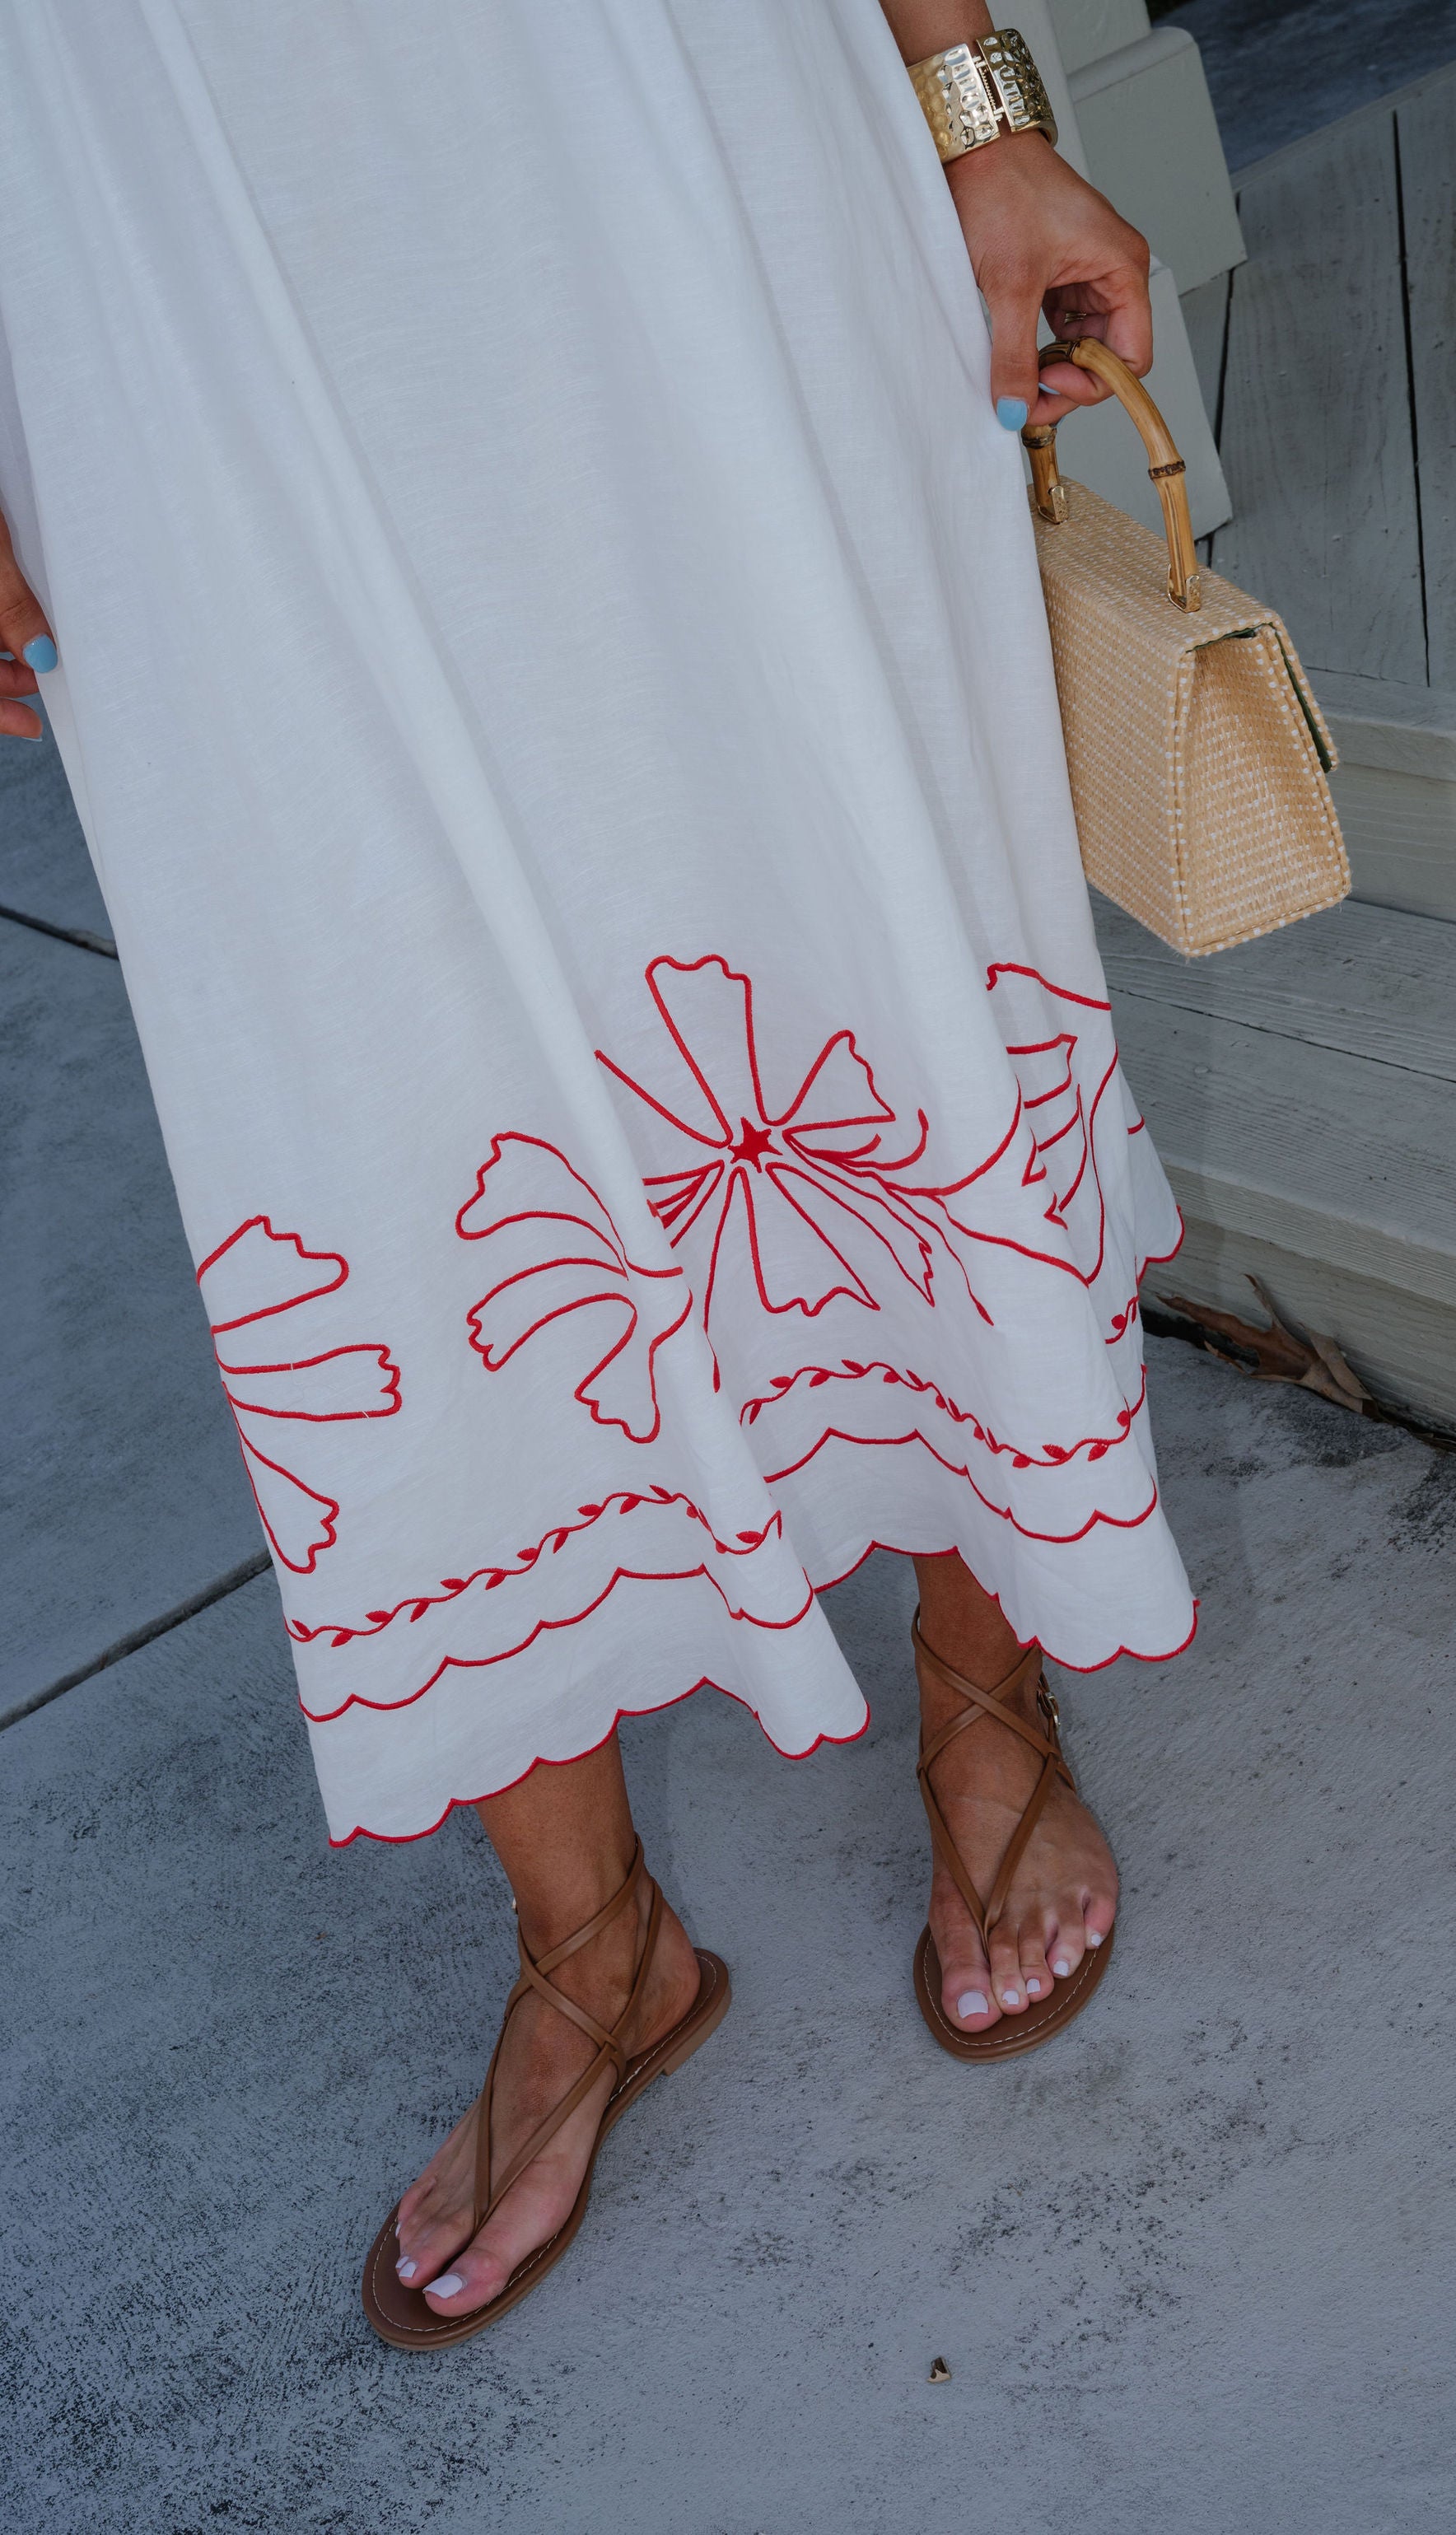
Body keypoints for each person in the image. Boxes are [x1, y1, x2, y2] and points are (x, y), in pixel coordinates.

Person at [0, 0, 1194, 2346]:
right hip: (145, 218)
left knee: (859, 874)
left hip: (677, 117)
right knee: (355, 1054)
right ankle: (594, 1939)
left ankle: (987, 1676)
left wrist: (977, 97)